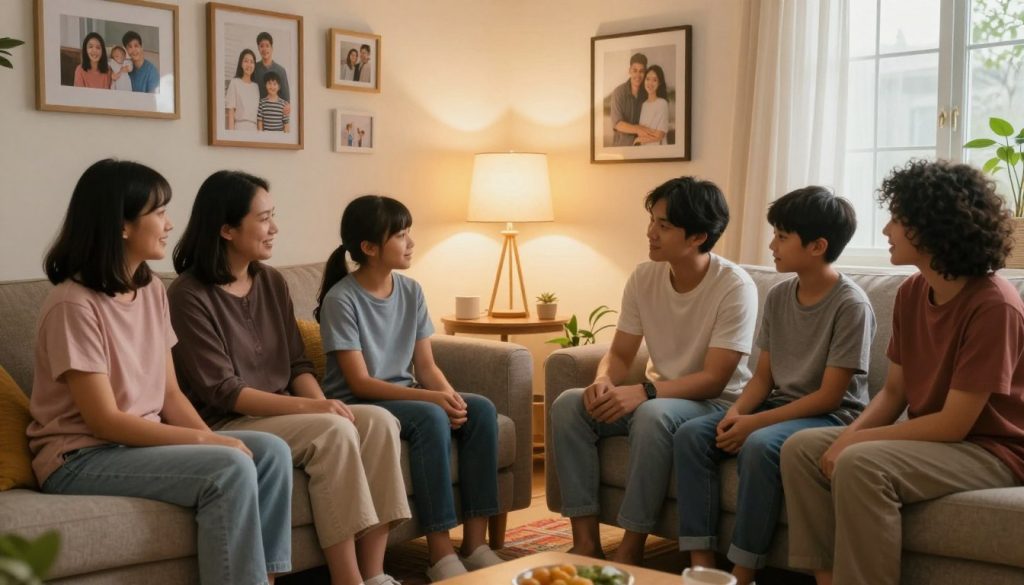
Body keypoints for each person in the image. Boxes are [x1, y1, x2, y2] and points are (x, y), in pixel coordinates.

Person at [27, 159, 292, 585]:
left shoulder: (151, 290)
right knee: (229, 467)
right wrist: (207, 440)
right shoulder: (72, 305)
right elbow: (105, 421)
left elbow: (170, 395)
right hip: (80, 457)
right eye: (159, 212)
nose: (170, 224)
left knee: (271, 451)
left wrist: (212, 438)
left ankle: (265, 578)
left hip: (135, 446)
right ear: (122, 226)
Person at [780, 160, 1024, 585]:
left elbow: (953, 423)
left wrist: (855, 442)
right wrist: (848, 436)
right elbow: (893, 393)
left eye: (896, 218)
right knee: (801, 448)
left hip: (994, 450)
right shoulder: (912, 292)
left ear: (931, 226)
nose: (885, 230)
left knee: (859, 462)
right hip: (946, 439)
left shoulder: (994, 305)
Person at [169, 171, 410, 585]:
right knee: (332, 432)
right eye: (263, 219)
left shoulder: (271, 282)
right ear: (227, 229)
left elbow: (298, 364)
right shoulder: (188, 295)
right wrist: (318, 410)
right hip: (228, 419)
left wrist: (327, 406)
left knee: (379, 421)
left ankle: (375, 574)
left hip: (285, 412)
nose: (274, 228)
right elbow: (224, 392)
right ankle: (347, 579)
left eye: (272, 216)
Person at [549, 177, 759, 564]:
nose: (650, 233)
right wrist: (602, 381)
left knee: (651, 413)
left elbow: (715, 378)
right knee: (568, 405)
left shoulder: (734, 286)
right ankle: (585, 543)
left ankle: (630, 548)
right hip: (660, 398)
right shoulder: (645, 277)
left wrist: (644, 392)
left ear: (697, 236)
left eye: (664, 226)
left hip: (713, 404)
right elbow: (620, 352)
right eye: (652, 221)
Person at [673, 187, 875, 585]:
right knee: (692, 435)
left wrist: (754, 426)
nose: (771, 245)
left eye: (782, 237)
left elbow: (830, 395)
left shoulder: (851, 305)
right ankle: (703, 566)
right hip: (779, 406)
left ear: (817, 246)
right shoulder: (781, 294)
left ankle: (743, 572)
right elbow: (763, 377)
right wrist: (735, 414)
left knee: (761, 446)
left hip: (830, 416)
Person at [315, 195, 504, 582]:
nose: (410, 242)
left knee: (480, 409)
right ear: (369, 248)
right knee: (429, 415)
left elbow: (427, 367)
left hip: (408, 395)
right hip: (362, 403)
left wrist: (451, 398)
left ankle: (475, 544)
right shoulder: (341, 300)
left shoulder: (412, 290)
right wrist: (434, 400)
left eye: (407, 233)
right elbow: (360, 382)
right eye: (400, 235)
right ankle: (439, 550)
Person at [609, 53, 659, 146]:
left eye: (641, 71)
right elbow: (617, 123)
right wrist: (638, 129)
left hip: (645, 146)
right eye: (635, 70)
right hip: (622, 149)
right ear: (629, 71)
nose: (638, 75)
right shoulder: (618, 92)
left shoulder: (648, 93)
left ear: (645, 73)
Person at [634, 65, 669, 146]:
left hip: (659, 152)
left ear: (659, 83)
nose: (650, 83)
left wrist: (639, 139)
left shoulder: (662, 103)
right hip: (643, 151)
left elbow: (660, 134)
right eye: (648, 79)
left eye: (654, 80)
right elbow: (640, 131)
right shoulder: (643, 105)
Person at [226, 49, 260, 131]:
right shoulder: (235, 82)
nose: (249, 64)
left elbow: (259, 115)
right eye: (246, 61)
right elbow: (230, 112)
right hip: (239, 128)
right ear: (241, 64)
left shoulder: (256, 87)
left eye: (252, 62)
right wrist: (231, 135)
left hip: (254, 130)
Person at [254, 32, 291, 103]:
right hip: (256, 110)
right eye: (261, 46)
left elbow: (286, 99)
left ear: (272, 48)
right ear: (258, 48)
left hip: (274, 112)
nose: (264, 49)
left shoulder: (281, 71)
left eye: (267, 46)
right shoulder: (254, 68)